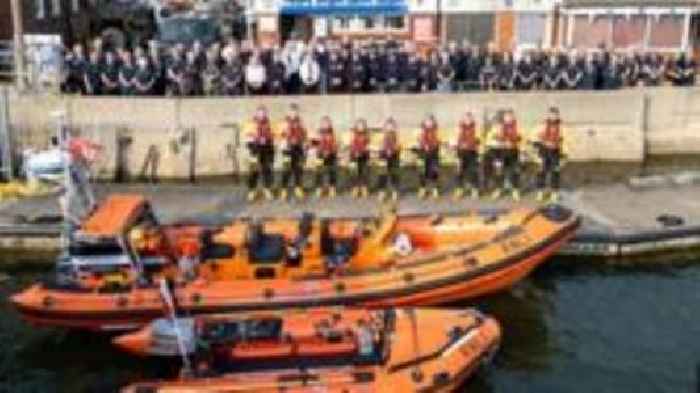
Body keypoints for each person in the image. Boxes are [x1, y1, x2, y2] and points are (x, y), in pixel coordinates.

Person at [535, 107, 565, 203]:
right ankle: (540, 191)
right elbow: (535, 137)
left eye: (555, 115)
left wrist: (564, 156)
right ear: (548, 115)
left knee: (555, 172)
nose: (553, 117)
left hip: (556, 151)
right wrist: (541, 144)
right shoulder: (542, 125)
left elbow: (567, 141)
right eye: (551, 115)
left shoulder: (562, 127)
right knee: (541, 171)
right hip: (544, 150)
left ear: (558, 116)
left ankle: (554, 192)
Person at [246, 106, 275, 202]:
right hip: (255, 149)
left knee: (267, 170)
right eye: (260, 113)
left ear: (266, 114)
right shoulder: (251, 124)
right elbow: (247, 137)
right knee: (253, 171)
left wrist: (269, 141)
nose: (262, 115)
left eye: (263, 113)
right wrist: (255, 140)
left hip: (267, 150)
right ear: (256, 114)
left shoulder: (270, 124)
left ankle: (267, 189)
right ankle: (252, 190)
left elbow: (274, 135)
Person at [491, 110, 522, 201]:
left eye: (510, 116)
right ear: (503, 118)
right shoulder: (498, 127)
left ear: (513, 117)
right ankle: (498, 189)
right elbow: (492, 139)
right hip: (500, 152)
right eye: (506, 117)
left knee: (514, 171)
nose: (508, 118)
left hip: (513, 151)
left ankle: (515, 190)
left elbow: (522, 138)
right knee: (499, 171)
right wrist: (501, 143)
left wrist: (515, 142)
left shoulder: (517, 127)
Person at [279, 104, 307, 200]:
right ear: (288, 112)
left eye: (295, 111)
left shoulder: (301, 122)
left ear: (297, 112)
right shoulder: (284, 122)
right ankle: (284, 189)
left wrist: (304, 145)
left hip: (298, 148)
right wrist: (284, 143)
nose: (293, 114)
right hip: (287, 149)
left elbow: (304, 134)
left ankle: (298, 187)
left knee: (298, 169)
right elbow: (280, 135)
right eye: (291, 111)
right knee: (286, 170)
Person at [453, 110, 480, 200]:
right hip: (461, 152)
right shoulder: (459, 128)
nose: (468, 120)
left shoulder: (476, 128)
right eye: (466, 118)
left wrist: (474, 144)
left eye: (469, 118)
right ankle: (459, 189)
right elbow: (454, 140)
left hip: (472, 152)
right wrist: (456, 145)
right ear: (463, 119)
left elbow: (479, 140)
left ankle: (474, 189)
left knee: (473, 171)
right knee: (459, 171)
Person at [375, 118, 401, 202]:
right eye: (388, 126)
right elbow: (379, 146)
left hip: (394, 157)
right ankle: (382, 192)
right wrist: (384, 149)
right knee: (382, 175)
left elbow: (399, 146)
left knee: (395, 175)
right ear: (385, 127)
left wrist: (393, 149)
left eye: (392, 126)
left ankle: (395, 192)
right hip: (383, 157)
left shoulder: (397, 137)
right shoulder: (381, 136)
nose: (390, 128)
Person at [416, 115, 441, 199]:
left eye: (430, 121)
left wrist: (432, 146)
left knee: (434, 171)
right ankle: (422, 188)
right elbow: (418, 141)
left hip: (433, 153)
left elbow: (438, 141)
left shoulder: (436, 131)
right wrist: (423, 145)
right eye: (427, 121)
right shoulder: (421, 131)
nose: (429, 123)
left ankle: (434, 188)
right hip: (422, 154)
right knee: (422, 171)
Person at [313, 116, 338, 199]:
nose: (325, 125)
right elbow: (314, 143)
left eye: (327, 123)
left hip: (331, 155)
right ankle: (319, 188)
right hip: (320, 154)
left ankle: (332, 188)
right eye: (323, 123)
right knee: (319, 172)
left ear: (330, 124)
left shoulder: (333, 133)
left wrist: (331, 151)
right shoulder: (318, 133)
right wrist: (319, 149)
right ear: (321, 124)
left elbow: (336, 144)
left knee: (332, 171)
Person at [349, 119, 371, 199]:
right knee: (354, 171)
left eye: (362, 125)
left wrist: (362, 151)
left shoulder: (367, 135)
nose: (360, 127)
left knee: (364, 171)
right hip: (354, 157)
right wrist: (355, 152)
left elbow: (368, 146)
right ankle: (355, 188)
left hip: (364, 156)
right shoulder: (353, 135)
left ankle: (364, 187)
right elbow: (351, 145)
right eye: (359, 125)